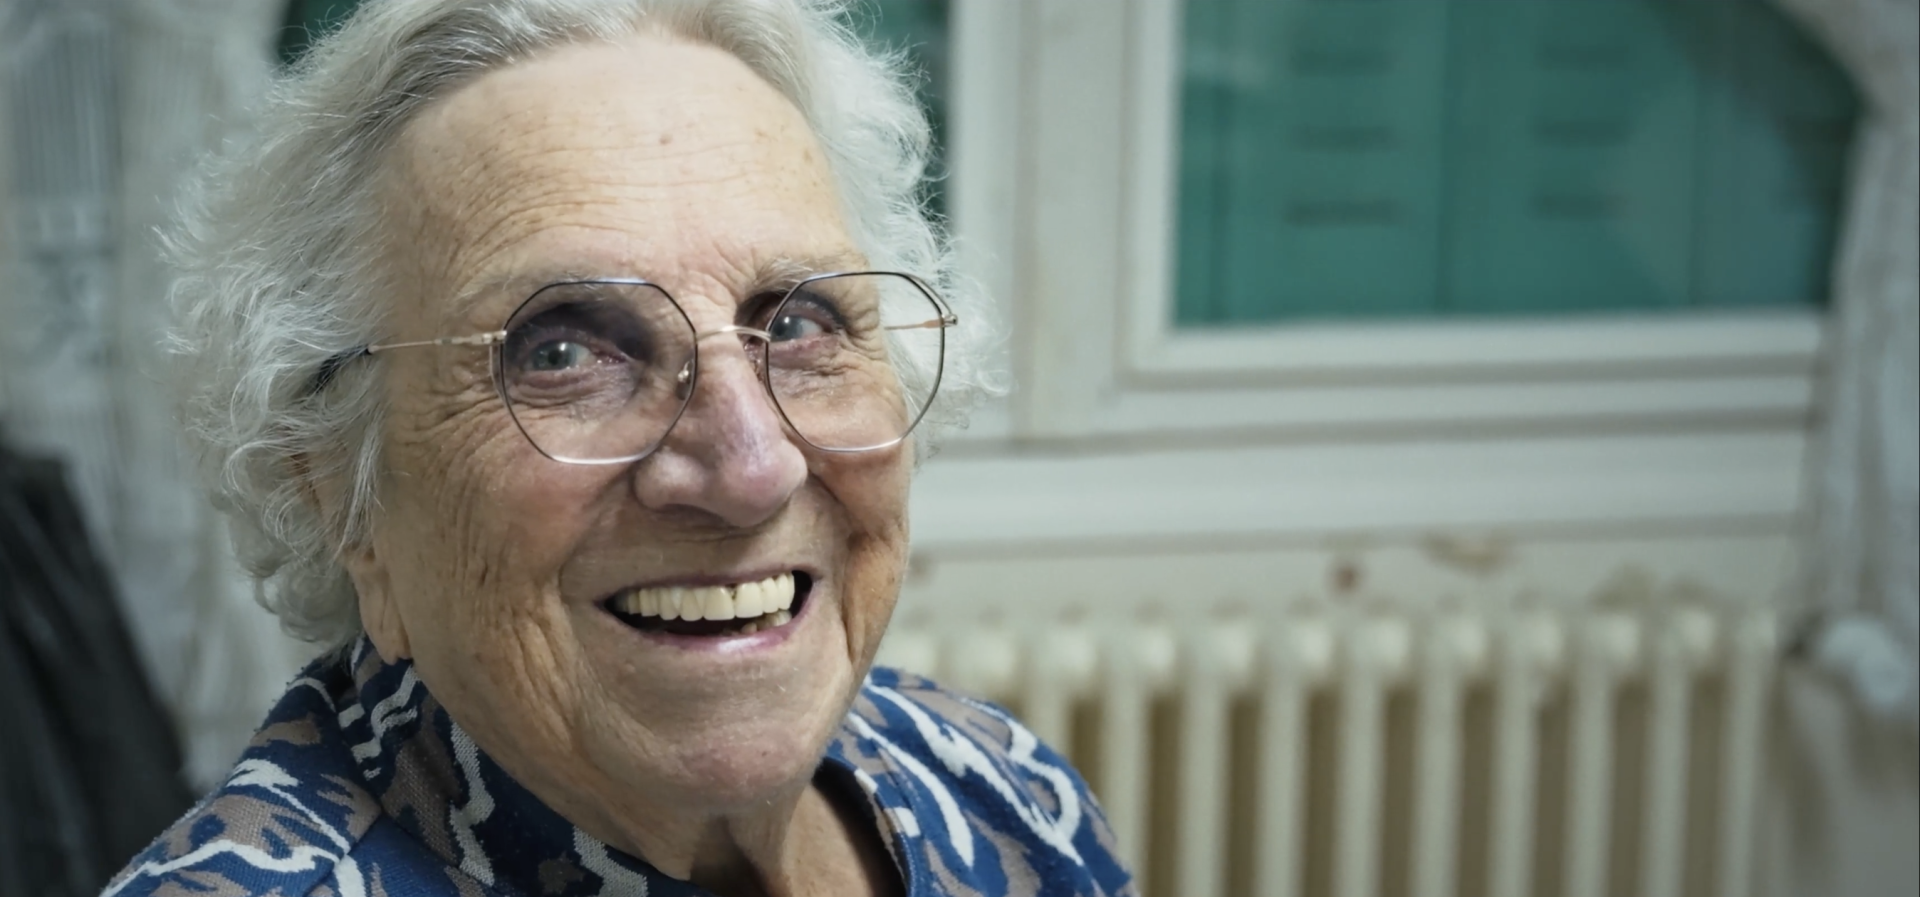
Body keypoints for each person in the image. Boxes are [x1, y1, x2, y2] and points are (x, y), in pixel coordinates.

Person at [105, 1, 1134, 895]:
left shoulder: (997, 788)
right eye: (560, 351)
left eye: (799, 323)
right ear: (338, 493)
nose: (751, 467)